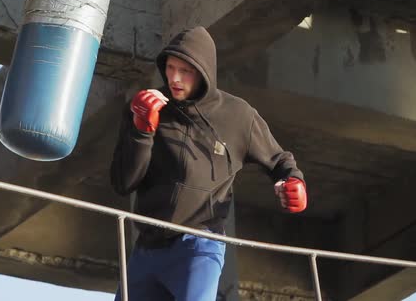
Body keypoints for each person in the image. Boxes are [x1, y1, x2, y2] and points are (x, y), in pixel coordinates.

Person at [110, 26, 307, 301]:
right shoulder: (146, 105)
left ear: (203, 72)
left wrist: (292, 179)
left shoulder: (238, 115)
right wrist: (141, 131)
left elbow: (279, 160)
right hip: (147, 248)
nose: (175, 78)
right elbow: (123, 183)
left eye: (185, 71)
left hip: (198, 245)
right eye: (170, 67)